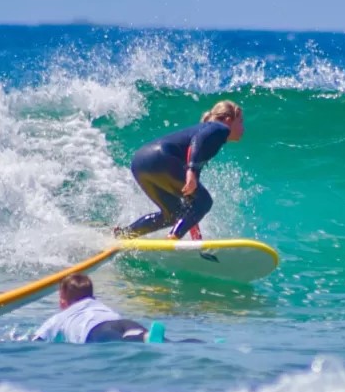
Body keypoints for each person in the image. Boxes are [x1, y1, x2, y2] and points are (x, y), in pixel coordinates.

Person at [115, 99, 245, 240]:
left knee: (172, 214)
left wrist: (195, 235)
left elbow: (191, 203)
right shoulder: (220, 128)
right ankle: (173, 236)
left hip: (140, 162)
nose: (243, 128)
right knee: (205, 201)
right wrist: (191, 170)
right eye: (241, 122)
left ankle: (124, 234)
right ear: (228, 119)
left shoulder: (209, 133)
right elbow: (200, 139)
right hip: (161, 158)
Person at [33, 273, 199, 344]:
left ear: (63, 301)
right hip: (119, 321)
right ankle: (198, 343)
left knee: (123, 342)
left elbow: (36, 341)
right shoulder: (97, 304)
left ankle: (145, 339)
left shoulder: (59, 319)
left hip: (93, 331)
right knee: (159, 340)